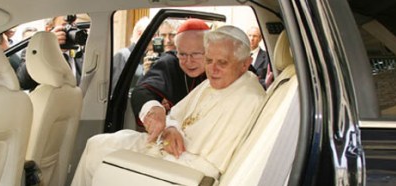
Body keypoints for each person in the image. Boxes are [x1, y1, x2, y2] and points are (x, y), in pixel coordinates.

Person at [71, 25, 266, 185]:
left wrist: (167, 148)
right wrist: (170, 128)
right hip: (168, 147)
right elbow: (174, 114)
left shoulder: (249, 98)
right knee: (96, 143)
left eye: (222, 63)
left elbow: (213, 165)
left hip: (183, 169)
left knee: (99, 153)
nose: (212, 70)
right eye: (208, 60)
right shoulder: (211, 81)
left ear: (244, 63)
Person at [130, 18, 209, 132]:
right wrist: (153, 108)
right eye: (182, 54)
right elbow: (141, 91)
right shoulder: (170, 62)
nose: (188, 61)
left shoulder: (218, 67)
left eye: (195, 54)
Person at [16, 15, 84, 90]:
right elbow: (23, 82)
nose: (72, 30)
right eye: (66, 26)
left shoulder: (81, 52)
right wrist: (48, 45)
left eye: (74, 26)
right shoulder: (35, 51)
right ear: (48, 29)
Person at [111, 17, 150, 93]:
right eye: (153, 34)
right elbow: (116, 90)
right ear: (140, 33)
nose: (156, 39)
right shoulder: (122, 56)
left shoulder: (150, 56)